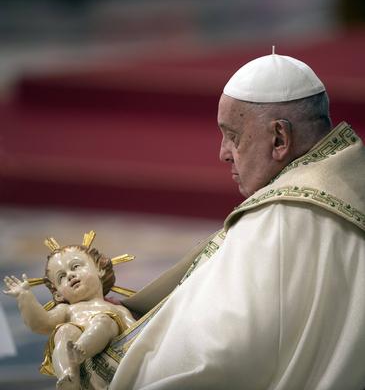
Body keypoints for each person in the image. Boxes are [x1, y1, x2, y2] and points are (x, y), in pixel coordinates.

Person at [108, 52, 365, 389]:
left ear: (279, 140)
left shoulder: (275, 223)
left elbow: (212, 358)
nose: (223, 152)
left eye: (233, 135)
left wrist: (111, 347)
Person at [3, 231, 135, 390]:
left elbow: (137, 332)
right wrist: (25, 297)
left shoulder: (116, 309)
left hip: (109, 353)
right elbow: (40, 323)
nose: (71, 275)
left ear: (99, 269)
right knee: (64, 330)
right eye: (61, 277)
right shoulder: (67, 310)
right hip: (78, 360)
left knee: (103, 320)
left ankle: (82, 350)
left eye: (76, 266)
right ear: (58, 293)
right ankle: (68, 375)